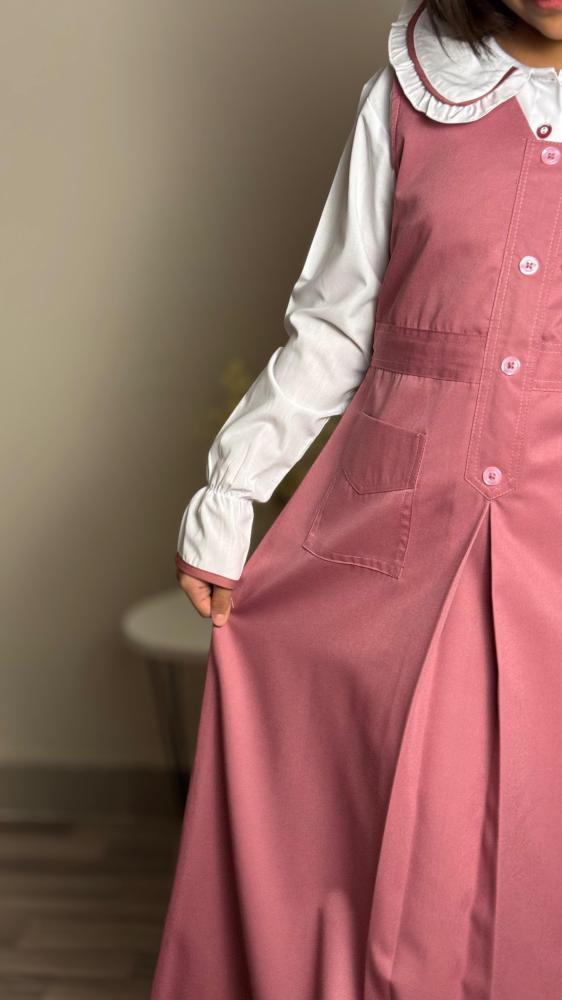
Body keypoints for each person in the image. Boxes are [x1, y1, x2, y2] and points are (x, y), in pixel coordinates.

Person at [152, 1, 562, 996]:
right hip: (394, 531)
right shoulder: (411, 98)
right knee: (359, 820)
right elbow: (335, 325)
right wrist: (231, 493)